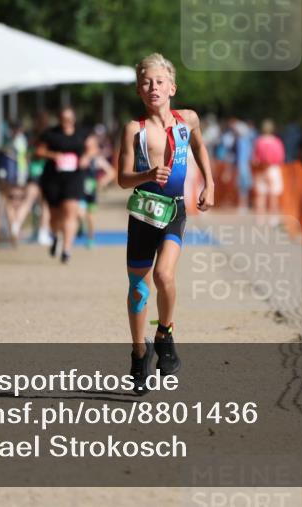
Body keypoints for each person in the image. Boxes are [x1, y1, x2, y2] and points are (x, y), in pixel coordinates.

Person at [117, 53, 214, 393]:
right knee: (139, 290)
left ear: (172, 87)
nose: (153, 87)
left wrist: (209, 183)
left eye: (159, 81)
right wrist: (147, 173)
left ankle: (165, 333)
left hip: (174, 211)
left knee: (164, 275)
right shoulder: (134, 130)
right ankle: (138, 354)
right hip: (144, 213)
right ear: (139, 91)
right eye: (146, 82)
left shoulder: (187, 120)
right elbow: (122, 179)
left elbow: (200, 148)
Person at [37, 107, 89, 263]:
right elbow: (39, 151)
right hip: (53, 179)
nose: (66, 122)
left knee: (70, 213)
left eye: (69, 119)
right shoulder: (50, 134)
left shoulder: (81, 133)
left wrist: (86, 157)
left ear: (73, 119)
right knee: (54, 216)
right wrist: (53, 155)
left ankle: (66, 250)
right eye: (63, 119)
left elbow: (92, 148)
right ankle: (56, 236)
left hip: (74, 178)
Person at [78, 132, 115, 248]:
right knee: (80, 213)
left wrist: (101, 183)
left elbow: (111, 172)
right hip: (79, 189)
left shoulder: (98, 159)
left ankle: (91, 238)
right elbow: (81, 165)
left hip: (91, 190)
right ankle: (80, 225)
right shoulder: (82, 156)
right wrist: (88, 155)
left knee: (91, 215)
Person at [252, 119, 286, 216]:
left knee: (261, 194)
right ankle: (272, 216)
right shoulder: (277, 142)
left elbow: (255, 157)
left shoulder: (259, 141)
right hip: (273, 168)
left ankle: (260, 216)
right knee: (273, 193)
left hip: (261, 168)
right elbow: (281, 157)